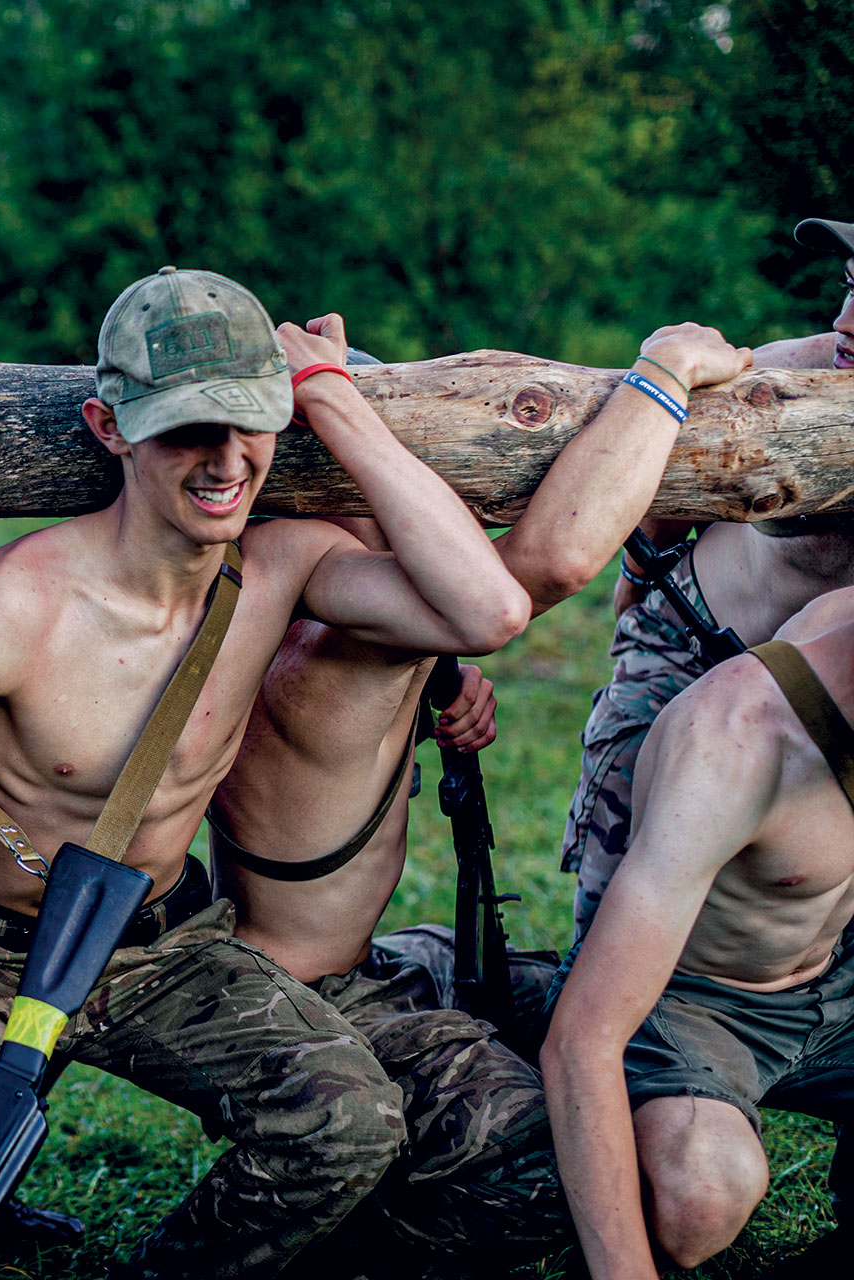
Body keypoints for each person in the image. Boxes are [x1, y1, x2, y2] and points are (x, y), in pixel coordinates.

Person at [0, 267, 533, 1278]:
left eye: (249, 421)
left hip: (164, 945)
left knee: (347, 1119)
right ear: (110, 425)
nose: (223, 461)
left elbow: (492, 612)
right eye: (186, 429)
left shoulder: (283, 565)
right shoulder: (10, 609)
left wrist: (332, 396)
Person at [205, 322, 754, 1272]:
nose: (438, 498)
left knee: (626, 1014)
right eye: (410, 471)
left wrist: (438, 683)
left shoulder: (308, 597)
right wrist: (663, 371)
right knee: (566, 1170)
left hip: (361, 960)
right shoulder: (332, 648)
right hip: (311, 1001)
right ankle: (345, 1232)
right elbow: (548, 562)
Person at [543, 586, 854, 1279]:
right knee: (701, 1201)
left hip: (837, 972)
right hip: (693, 999)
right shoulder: (734, 743)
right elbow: (582, 1038)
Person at [567, 216, 854, 939]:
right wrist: (636, 596)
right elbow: (662, 493)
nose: (844, 321)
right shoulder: (788, 376)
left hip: (823, 697)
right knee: (621, 888)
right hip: (693, 644)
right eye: (850, 288)